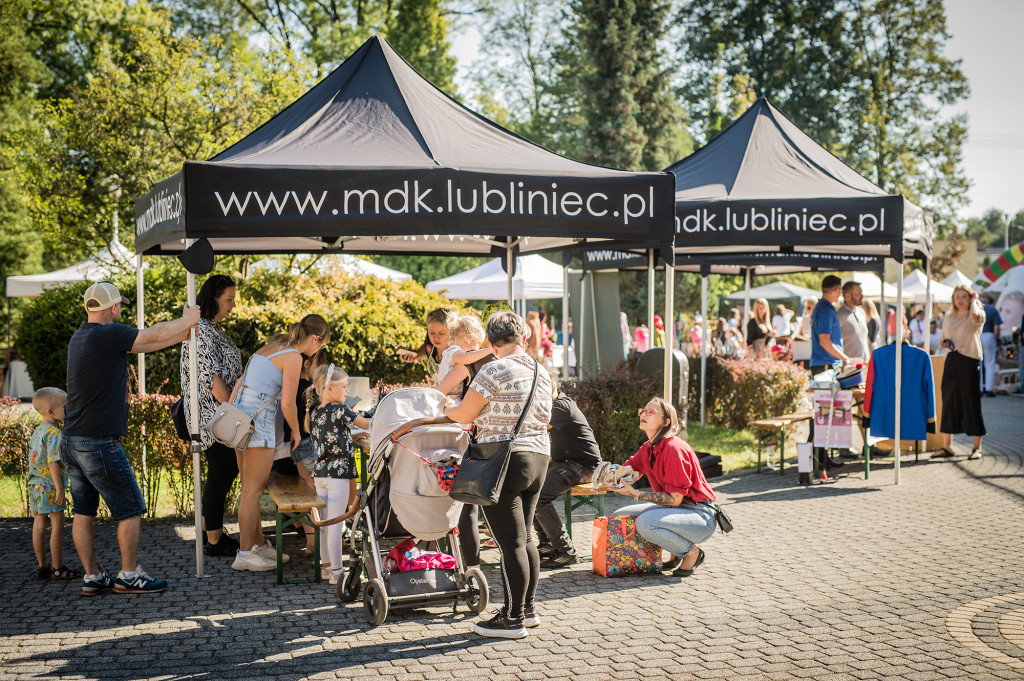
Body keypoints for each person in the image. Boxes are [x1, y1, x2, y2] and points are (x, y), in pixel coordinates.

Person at [63, 281, 200, 595]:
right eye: (120, 306)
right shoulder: (108, 333)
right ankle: (128, 575)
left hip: (72, 440)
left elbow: (145, 344)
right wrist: (188, 319)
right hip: (98, 442)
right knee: (131, 508)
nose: (121, 310)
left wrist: (181, 333)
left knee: (83, 511)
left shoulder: (82, 336)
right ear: (113, 307)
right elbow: (150, 333)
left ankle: (93, 576)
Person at [440, 311, 553, 639]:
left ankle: (512, 619)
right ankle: (528, 610)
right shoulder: (542, 372)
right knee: (527, 536)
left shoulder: (492, 369)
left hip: (503, 459)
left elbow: (463, 413)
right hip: (539, 456)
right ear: (525, 338)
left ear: (490, 343)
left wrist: (446, 408)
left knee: (511, 543)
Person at [230, 314, 329, 572]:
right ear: (316, 339)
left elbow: (241, 383)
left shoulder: (272, 346)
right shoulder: (294, 357)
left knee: (248, 489)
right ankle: (244, 554)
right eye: (322, 346)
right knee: (253, 491)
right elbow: (287, 403)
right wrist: (297, 432)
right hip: (257, 426)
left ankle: (258, 547)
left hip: (241, 420)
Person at [610, 397, 717, 577]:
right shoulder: (648, 448)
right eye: (642, 411)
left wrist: (636, 493)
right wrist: (602, 476)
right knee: (621, 517)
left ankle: (692, 553)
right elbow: (627, 471)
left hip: (700, 515)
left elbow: (675, 500)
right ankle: (667, 553)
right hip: (677, 510)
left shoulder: (674, 449)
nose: (644, 414)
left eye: (650, 412)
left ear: (666, 422)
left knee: (646, 523)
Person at [180, 274, 243, 557]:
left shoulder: (212, 328)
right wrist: (233, 411)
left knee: (221, 473)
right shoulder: (201, 329)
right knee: (223, 471)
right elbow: (210, 377)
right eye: (228, 299)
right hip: (213, 416)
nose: (232, 305)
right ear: (213, 297)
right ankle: (215, 541)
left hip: (218, 413)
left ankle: (210, 535)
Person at [305, 364, 370, 584]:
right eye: (343, 386)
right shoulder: (341, 410)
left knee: (324, 523)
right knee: (335, 524)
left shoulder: (316, 412)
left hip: (321, 474)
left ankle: (326, 568)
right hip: (338, 475)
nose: (347, 391)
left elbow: (331, 438)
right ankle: (337, 572)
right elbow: (367, 424)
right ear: (329, 388)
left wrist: (352, 439)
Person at [534, 378, 602, 568]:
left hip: (584, 466)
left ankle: (566, 551)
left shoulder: (561, 406)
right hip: (566, 463)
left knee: (539, 498)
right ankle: (547, 545)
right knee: (530, 491)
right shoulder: (555, 404)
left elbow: (537, 427)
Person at [28, 387, 81, 581]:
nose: (69, 410)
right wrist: (59, 488)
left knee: (39, 524)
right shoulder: (55, 433)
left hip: (35, 486)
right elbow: (52, 462)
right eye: (65, 407)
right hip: (50, 486)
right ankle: (58, 568)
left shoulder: (37, 431)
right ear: (51, 411)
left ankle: (42, 566)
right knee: (58, 526)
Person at [934, 285, 986, 460]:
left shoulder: (976, 313)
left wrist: (974, 300)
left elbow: (975, 317)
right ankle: (947, 446)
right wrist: (945, 343)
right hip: (952, 361)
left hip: (970, 361)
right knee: (948, 401)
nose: (960, 300)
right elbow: (942, 341)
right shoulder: (949, 316)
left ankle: (977, 447)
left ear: (970, 298)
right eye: (957, 297)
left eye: (964, 296)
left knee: (971, 402)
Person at [436, 314, 494, 402]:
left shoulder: (454, 351)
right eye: (478, 343)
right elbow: (465, 358)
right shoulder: (452, 351)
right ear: (469, 338)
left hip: (453, 397)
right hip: (449, 398)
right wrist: (490, 350)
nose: (478, 348)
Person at [809, 275, 854, 375]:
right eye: (840, 291)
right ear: (837, 289)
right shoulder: (826, 310)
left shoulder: (822, 307)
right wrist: (846, 359)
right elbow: (824, 341)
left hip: (825, 364)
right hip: (826, 365)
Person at [397, 308, 454, 380]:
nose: (435, 337)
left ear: (452, 332)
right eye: (432, 332)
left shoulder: (456, 352)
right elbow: (427, 347)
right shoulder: (431, 342)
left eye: (441, 333)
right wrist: (415, 355)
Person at [837, 281, 870, 363]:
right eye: (858, 294)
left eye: (861, 293)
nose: (862, 296)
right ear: (847, 296)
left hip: (864, 364)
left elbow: (865, 339)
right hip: (849, 367)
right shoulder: (838, 315)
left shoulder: (861, 312)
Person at [978, 293, 1002, 397]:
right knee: (990, 363)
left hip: (977, 335)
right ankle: (989, 389)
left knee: (978, 363)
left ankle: (978, 388)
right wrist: (995, 338)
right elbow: (997, 327)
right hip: (989, 335)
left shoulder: (976, 308)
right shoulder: (992, 309)